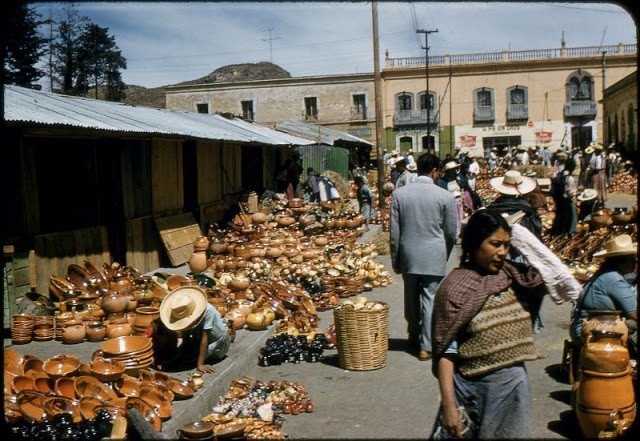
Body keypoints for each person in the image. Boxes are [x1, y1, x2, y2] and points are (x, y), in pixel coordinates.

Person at [431, 209, 546, 439]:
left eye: (506, 245)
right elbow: (446, 351)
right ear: (474, 244)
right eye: (494, 244)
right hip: (472, 391)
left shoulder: (512, 277)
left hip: (513, 390)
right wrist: (449, 406)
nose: (502, 252)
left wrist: (525, 241)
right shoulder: (454, 288)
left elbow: (546, 271)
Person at [390, 153, 457, 361]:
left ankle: (413, 334)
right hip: (434, 253)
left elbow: (394, 232)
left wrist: (396, 257)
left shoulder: (400, 194)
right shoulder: (444, 196)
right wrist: (444, 251)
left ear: (417, 168)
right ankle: (426, 346)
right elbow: (451, 232)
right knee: (430, 299)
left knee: (410, 299)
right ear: (435, 171)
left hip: (409, 253)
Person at [570, 234, 637, 359]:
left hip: (583, 327)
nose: (635, 262)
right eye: (632, 259)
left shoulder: (605, 274)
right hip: (594, 331)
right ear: (621, 261)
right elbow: (634, 313)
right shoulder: (613, 278)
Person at [153, 286, 231, 373]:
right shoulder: (184, 312)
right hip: (198, 339)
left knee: (189, 362)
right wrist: (179, 354)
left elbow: (205, 338)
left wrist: (200, 364)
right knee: (182, 358)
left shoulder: (208, 310)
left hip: (216, 342)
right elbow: (186, 336)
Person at [550, 157, 578, 236]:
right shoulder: (569, 178)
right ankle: (569, 233)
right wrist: (576, 193)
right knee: (570, 217)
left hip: (558, 200)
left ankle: (557, 232)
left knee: (559, 216)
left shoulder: (559, 174)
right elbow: (571, 193)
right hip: (566, 201)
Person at [589, 143, 607, 207]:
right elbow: (591, 165)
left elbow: (604, 166)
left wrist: (601, 168)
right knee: (595, 186)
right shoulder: (594, 158)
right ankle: (596, 200)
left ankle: (601, 200)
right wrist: (594, 168)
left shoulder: (602, 158)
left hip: (601, 173)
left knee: (602, 186)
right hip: (595, 173)